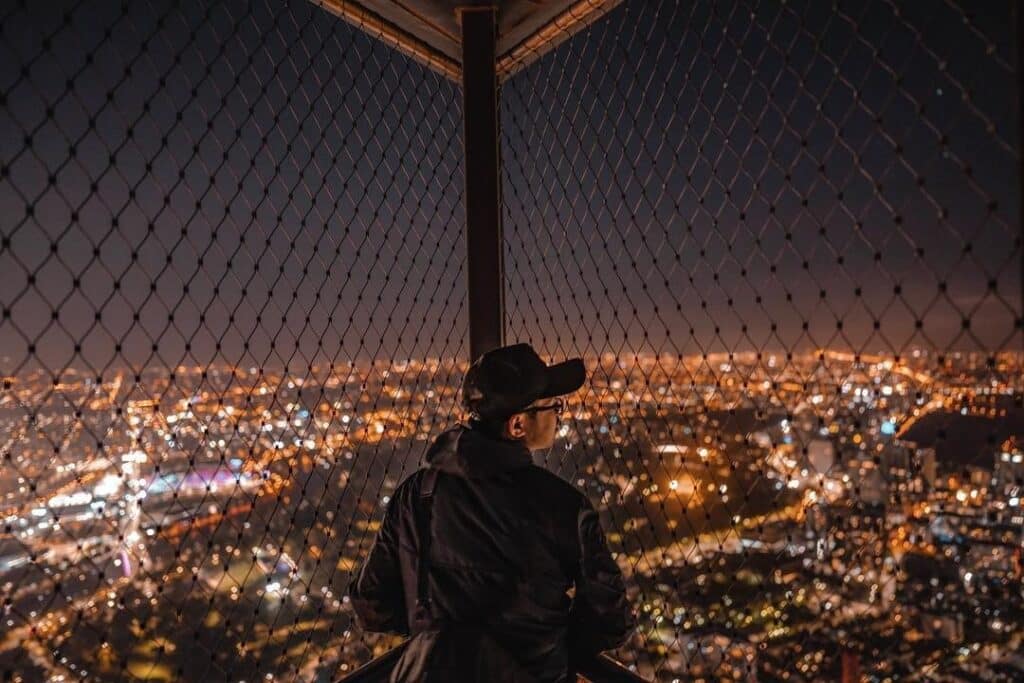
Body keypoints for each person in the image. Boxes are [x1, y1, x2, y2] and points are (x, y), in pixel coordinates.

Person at [349, 343, 635, 682]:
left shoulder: (417, 493)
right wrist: (546, 640)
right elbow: (611, 621)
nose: (559, 414)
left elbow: (371, 605)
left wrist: (438, 631)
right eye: (553, 406)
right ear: (517, 425)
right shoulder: (563, 506)